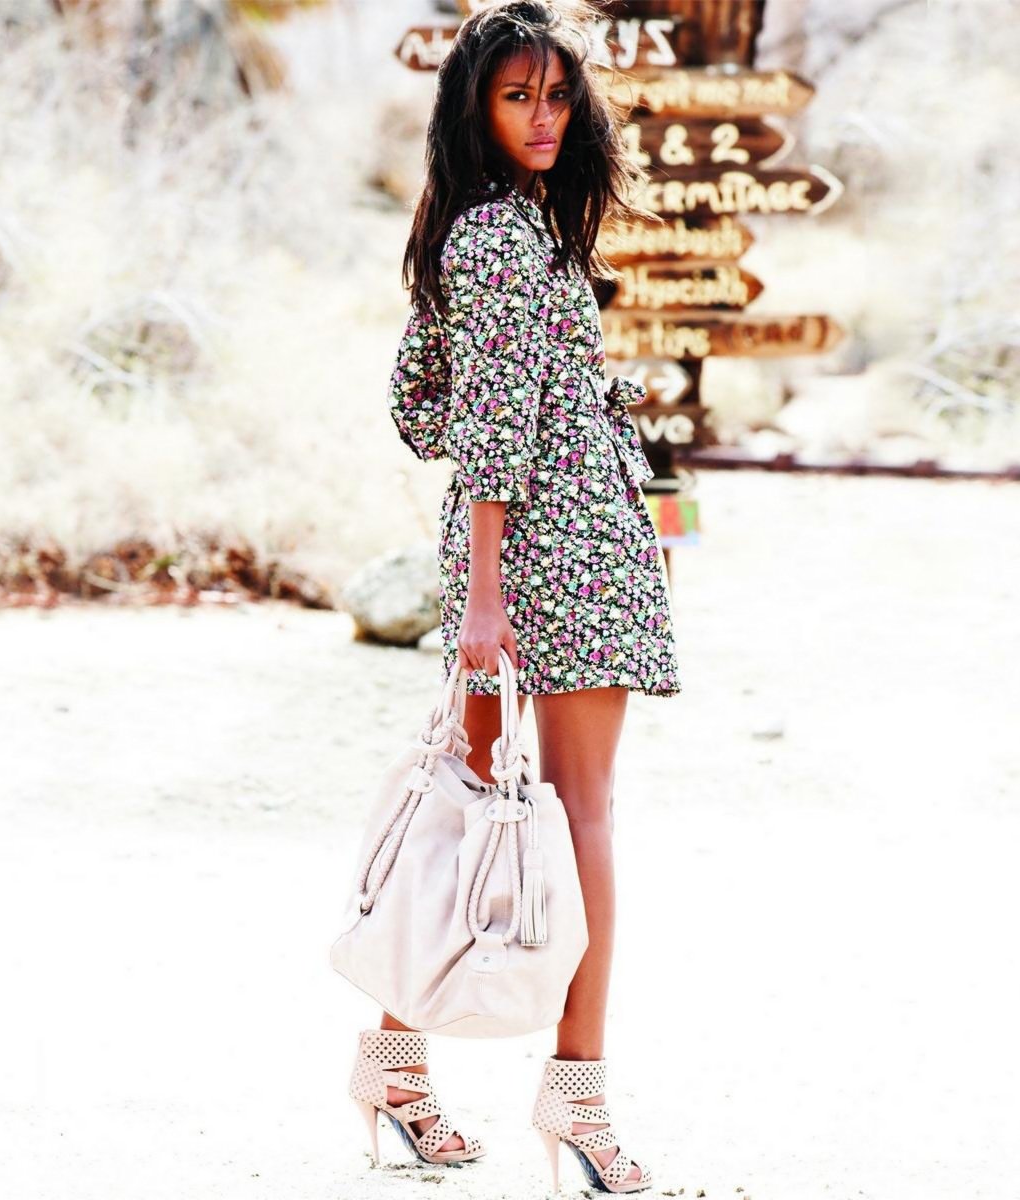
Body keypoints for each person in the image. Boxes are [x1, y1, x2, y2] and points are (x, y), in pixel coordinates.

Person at [348, 1, 679, 1193]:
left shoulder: (498, 224)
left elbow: (421, 395)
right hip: (548, 547)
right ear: (474, 111)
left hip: (552, 539)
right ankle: (578, 1104)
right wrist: (484, 593)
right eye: (517, 97)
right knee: (573, 819)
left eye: (556, 95)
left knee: (476, 815)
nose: (544, 118)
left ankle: (397, 1074)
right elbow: (480, 417)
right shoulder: (498, 236)